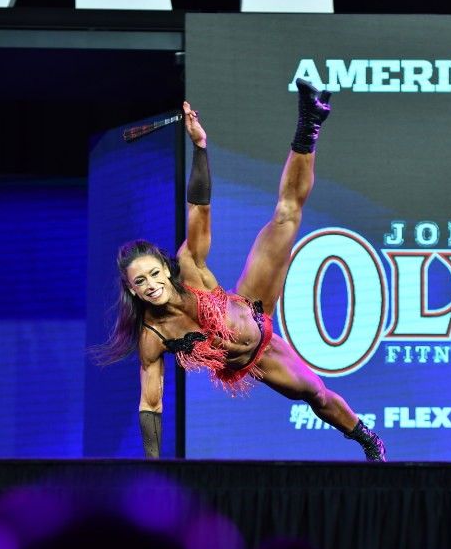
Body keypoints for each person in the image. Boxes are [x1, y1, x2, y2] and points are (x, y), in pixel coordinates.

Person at [98, 81, 386, 462]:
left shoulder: (189, 267)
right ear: (133, 291)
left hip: (252, 306)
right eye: (140, 282)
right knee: (316, 395)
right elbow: (151, 404)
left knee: (286, 215)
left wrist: (200, 147)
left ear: (165, 269)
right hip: (257, 359)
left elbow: (198, 206)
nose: (150, 285)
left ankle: (309, 123)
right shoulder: (153, 336)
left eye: (153, 274)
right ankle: (367, 439)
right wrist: (152, 463)